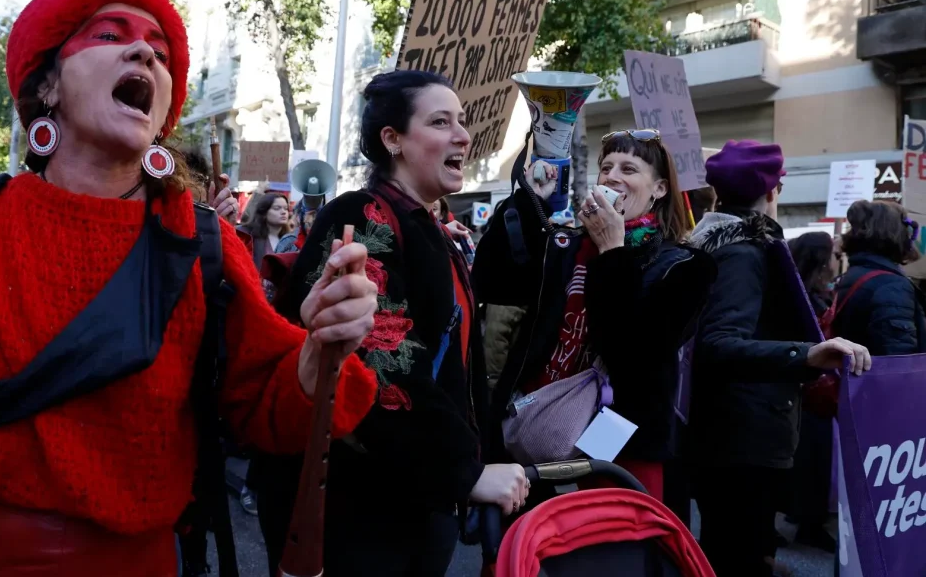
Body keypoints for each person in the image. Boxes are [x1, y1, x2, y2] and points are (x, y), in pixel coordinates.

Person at [0, 0, 380, 576]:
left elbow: (271, 405)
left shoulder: (201, 242)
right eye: (108, 34)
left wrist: (319, 353)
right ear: (47, 82)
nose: (145, 52)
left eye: (160, 49)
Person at [254, 71, 528, 577]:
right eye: (441, 122)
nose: (463, 136)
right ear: (392, 139)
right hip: (354, 507)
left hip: (414, 500)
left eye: (462, 122)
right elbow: (380, 359)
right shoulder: (358, 215)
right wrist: (464, 471)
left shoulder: (435, 232)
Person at [475, 128, 716, 503]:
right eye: (606, 167)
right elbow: (492, 282)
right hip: (533, 433)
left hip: (618, 452)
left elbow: (631, 355)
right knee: (524, 558)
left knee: (602, 558)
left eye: (629, 169)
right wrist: (527, 201)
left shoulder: (687, 266)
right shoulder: (566, 245)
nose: (613, 177)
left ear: (660, 190)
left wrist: (612, 252)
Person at [687, 140, 871, 577]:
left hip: (736, 433)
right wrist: (806, 354)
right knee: (735, 555)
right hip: (739, 439)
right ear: (774, 190)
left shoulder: (723, 242)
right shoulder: (742, 250)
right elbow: (718, 344)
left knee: (740, 549)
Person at [785, 230, 838, 553]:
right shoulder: (810, 300)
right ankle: (809, 523)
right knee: (813, 461)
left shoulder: (801, 293)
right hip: (811, 394)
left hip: (805, 394)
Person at [830, 200, 926, 355]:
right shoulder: (891, 285)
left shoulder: (855, 274)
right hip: (879, 378)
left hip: (855, 376)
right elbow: (898, 358)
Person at [242, 192, 290, 270]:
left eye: (286, 208)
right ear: (264, 212)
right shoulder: (248, 236)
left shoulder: (290, 240)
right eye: (277, 208)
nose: (283, 212)